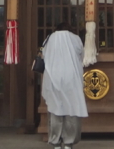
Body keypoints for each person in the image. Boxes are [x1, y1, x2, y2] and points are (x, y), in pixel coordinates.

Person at [41, 21, 88, 149]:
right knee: (72, 109)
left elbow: (44, 55)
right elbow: (81, 55)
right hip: (71, 78)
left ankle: (56, 142)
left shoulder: (49, 38)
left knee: (55, 109)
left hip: (53, 77)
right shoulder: (75, 38)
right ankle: (68, 142)